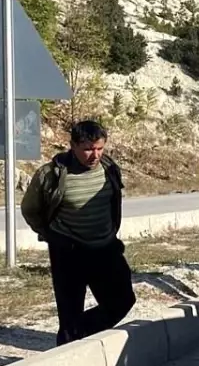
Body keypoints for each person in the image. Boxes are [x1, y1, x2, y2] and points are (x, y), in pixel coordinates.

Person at [20, 120, 135, 346]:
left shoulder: (109, 168)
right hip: (69, 252)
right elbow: (30, 209)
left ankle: (78, 332)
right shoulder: (51, 174)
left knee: (122, 301)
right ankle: (69, 345)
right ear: (72, 145)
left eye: (99, 148)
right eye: (87, 149)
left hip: (105, 248)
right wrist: (51, 235)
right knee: (70, 312)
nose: (94, 155)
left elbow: (114, 203)